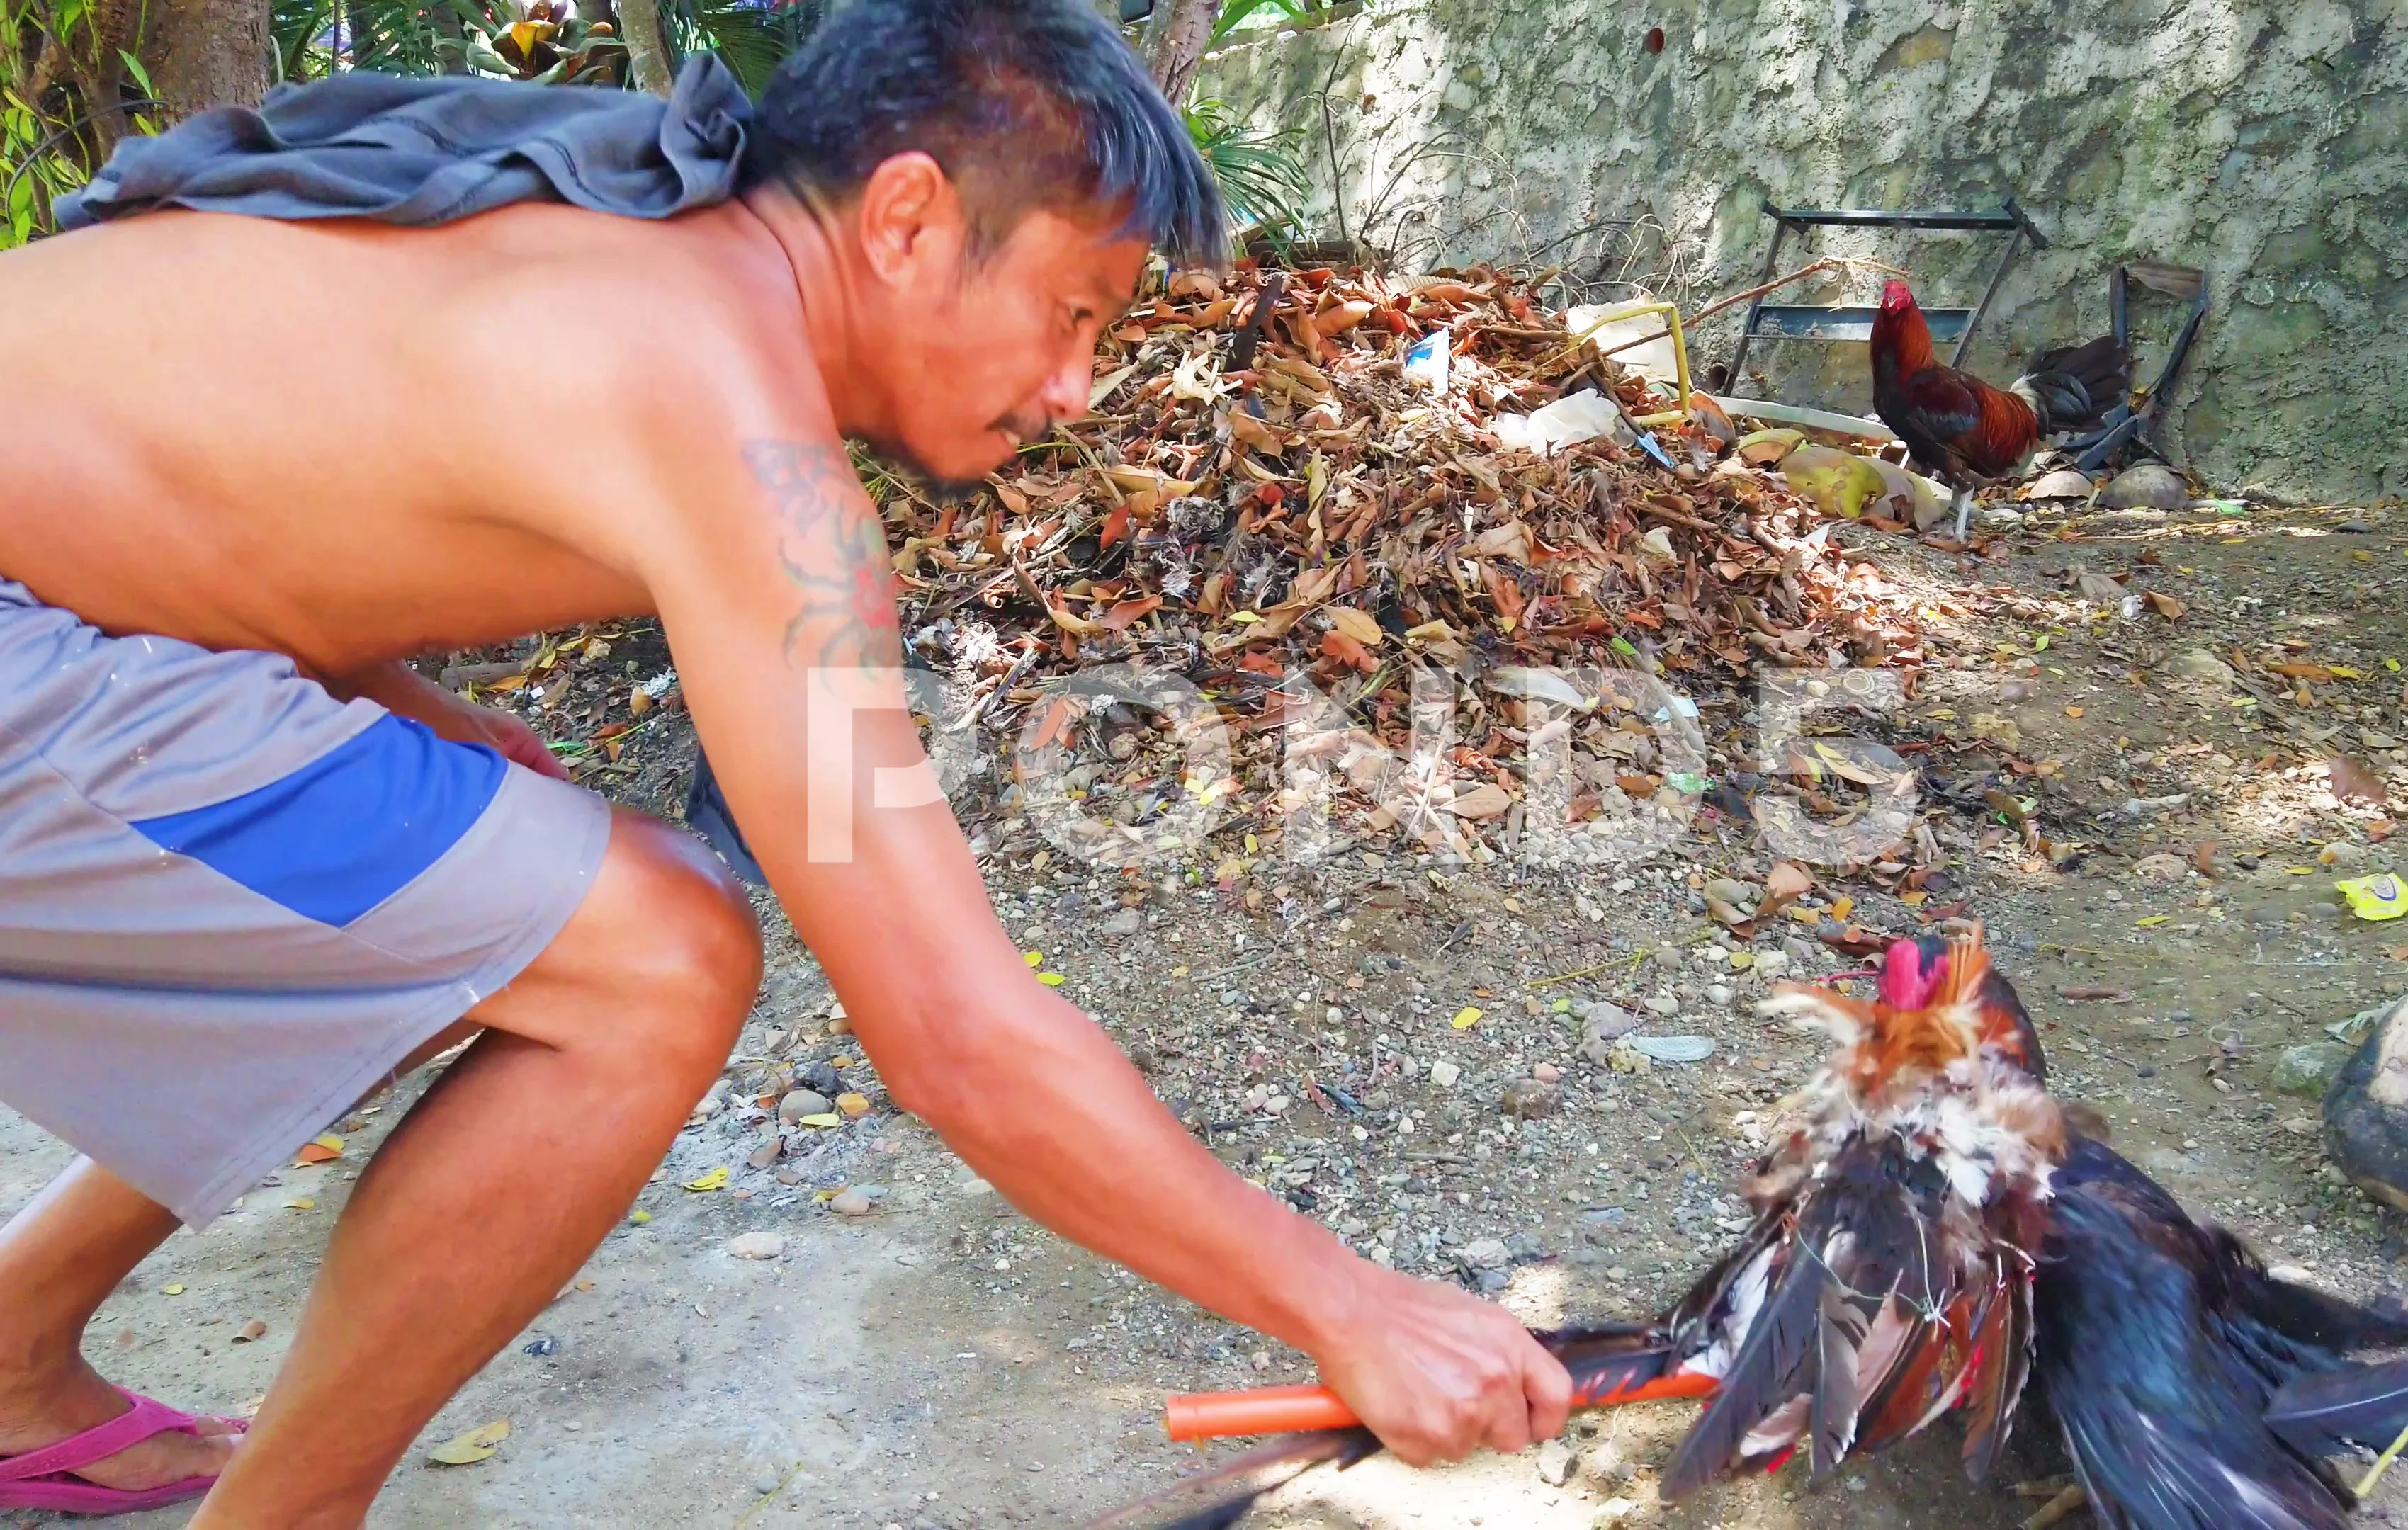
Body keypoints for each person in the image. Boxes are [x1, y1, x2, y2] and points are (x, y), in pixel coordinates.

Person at [0, 3, 1571, 1522]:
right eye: (1073, 314)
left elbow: (204, 466)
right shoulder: (748, 447)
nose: (1077, 389)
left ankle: (10, 1359)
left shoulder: (618, 212)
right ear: (904, 218)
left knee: (501, 865)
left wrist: (429, 713)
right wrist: (1347, 1304)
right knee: (655, 959)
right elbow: (956, 1037)